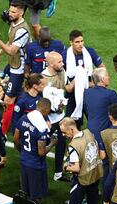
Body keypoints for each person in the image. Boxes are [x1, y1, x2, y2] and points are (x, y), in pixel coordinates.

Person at [0, 0, 32, 134]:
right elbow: (11, 40)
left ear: (21, 12)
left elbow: (12, 50)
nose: (10, 14)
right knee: (11, 92)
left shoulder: (22, 30)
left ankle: (2, 132)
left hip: (19, 68)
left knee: (8, 99)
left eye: (13, 12)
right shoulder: (14, 23)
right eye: (10, 11)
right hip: (13, 63)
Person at [60, 117, 103, 204]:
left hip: (81, 181)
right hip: (94, 176)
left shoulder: (73, 145)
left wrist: (65, 167)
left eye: (65, 132)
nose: (64, 135)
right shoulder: (89, 133)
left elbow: (76, 168)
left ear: (72, 129)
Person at [14, 98, 57, 202]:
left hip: (24, 161)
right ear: (46, 110)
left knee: (24, 194)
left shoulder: (24, 118)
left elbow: (15, 139)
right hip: (36, 165)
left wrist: (23, 151)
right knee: (36, 199)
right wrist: (52, 143)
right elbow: (41, 152)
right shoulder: (41, 127)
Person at [83, 67, 117, 156]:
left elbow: (85, 109)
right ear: (102, 79)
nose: (109, 77)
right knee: (105, 159)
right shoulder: (109, 94)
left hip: (90, 130)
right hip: (103, 133)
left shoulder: (86, 93)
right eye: (107, 75)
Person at [62, 29, 105, 129]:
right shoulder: (65, 56)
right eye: (77, 42)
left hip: (89, 91)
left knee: (94, 118)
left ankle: (97, 139)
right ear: (71, 42)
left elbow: (102, 69)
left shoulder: (89, 52)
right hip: (72, 92)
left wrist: (94, 83)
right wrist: (77, 80)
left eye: (82, 41)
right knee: (70, 121)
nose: (80, 44)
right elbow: (64, 80)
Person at [41, 52, 69, 181]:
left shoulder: (62, 71)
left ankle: (58, 173)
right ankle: (38, 171)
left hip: (61, 118)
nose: (62, 64)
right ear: (51, 63)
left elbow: (65, 89)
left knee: (61, 145)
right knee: (42, 145)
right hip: (48, 121)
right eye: (59, 62)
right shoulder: (43, 78)